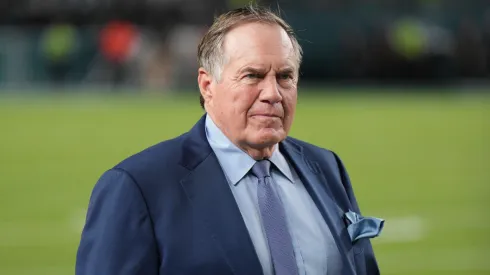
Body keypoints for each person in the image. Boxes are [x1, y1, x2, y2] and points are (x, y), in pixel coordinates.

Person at [76, 5, 382, 275]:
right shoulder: (137, 186)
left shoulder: (326, 168)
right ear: (208, 85)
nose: (273, 94)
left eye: (285, 77)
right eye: (253, 76)